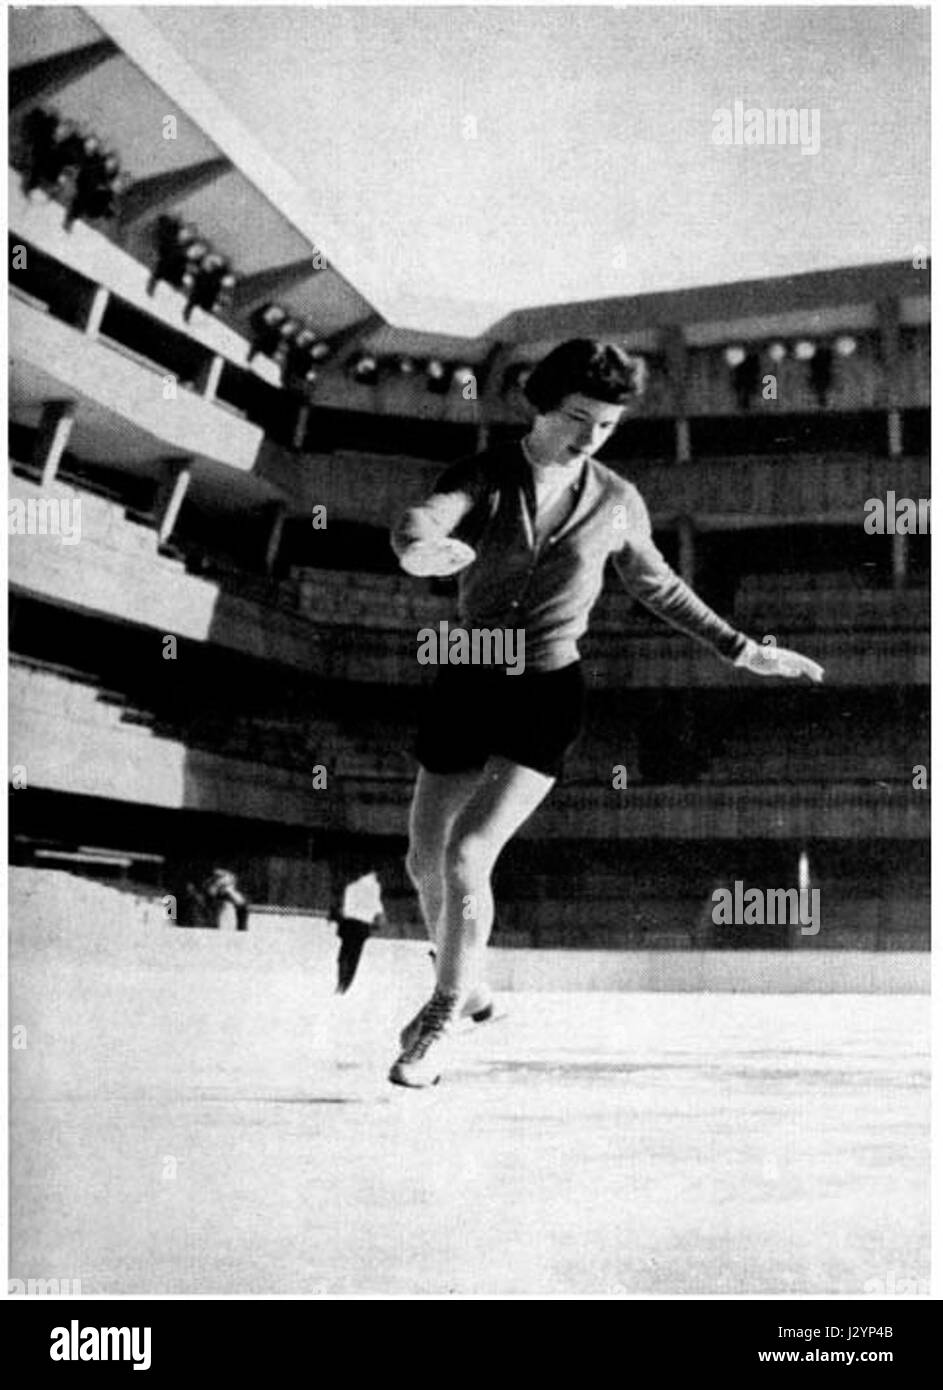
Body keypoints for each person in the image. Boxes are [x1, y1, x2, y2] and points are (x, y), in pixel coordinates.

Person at [387, 339, 823, 1088]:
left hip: (544, 692)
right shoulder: (486, 474)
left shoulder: (617, 500)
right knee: (423, 858)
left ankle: (441, 1012)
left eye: (606, 426)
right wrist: (418, 550)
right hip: (466, 676)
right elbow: (423, 519)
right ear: (542, 404)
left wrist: (740, 649)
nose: (589, 438)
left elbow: (658, 585)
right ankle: (475, 982)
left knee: (465, 855)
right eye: (578, 419)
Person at [331, 865, 388, 995]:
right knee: (354, 956)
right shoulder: (374, 888)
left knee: (343, 954)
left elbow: (346, 909)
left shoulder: (351, 887)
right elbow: (376, 906)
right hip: (362, 926)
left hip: (349, 924)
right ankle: (345, 984)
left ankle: (340, 981)